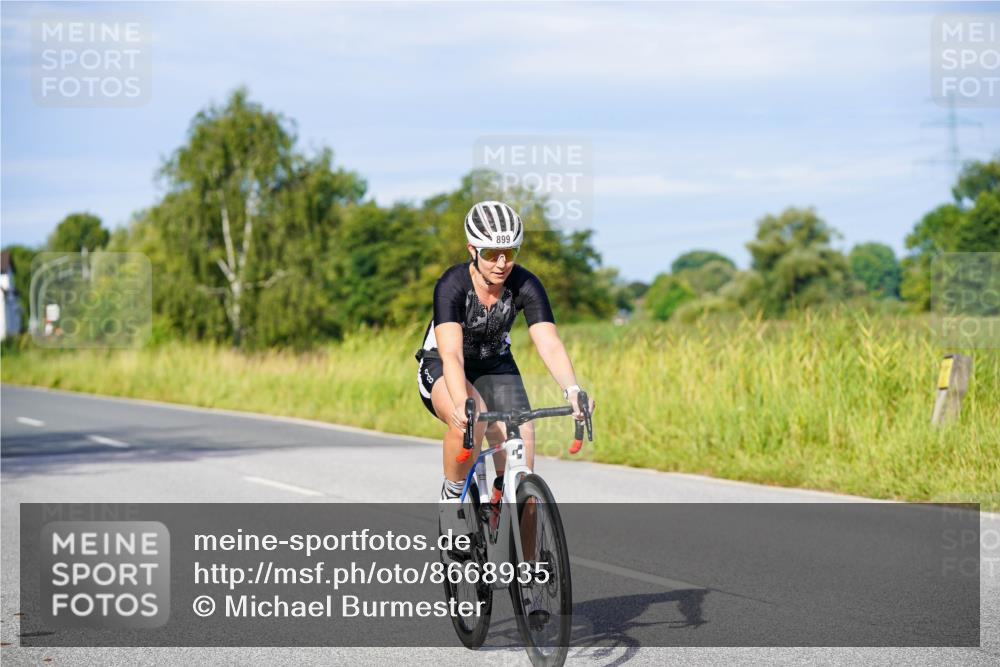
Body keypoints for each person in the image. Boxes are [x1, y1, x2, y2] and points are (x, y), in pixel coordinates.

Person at [414, 200, 595, 541]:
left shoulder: (525, 283)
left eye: (509, 253)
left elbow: (549, 342)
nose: (501, 263)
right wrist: (460, 402)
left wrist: (572, 390)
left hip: (496, 365)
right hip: (445, 364)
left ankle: (528, 571)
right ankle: (452, 498)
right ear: (472, 249)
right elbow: (451, 353)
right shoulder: (452, 284)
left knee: (522, 463)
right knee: (472, 413)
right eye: (491, 253)